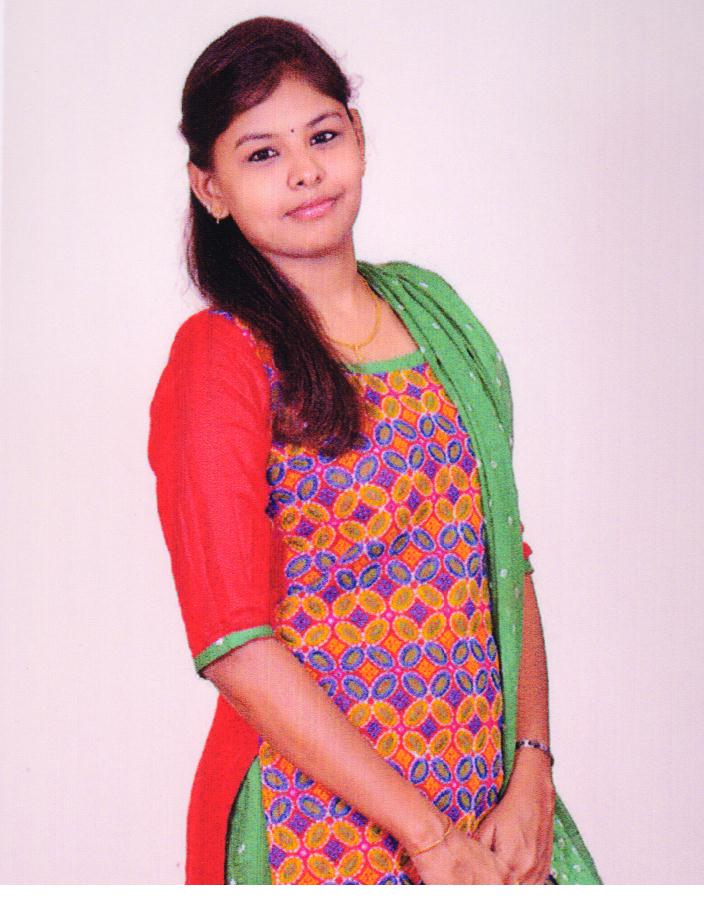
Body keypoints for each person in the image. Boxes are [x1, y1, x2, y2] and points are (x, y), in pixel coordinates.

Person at [148, 16, 601, 885]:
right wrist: (425, 836)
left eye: (322, 135)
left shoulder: (434, 314)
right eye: (261, 153)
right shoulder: (221, 360)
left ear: (357, 136)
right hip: (318, 822)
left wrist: (533, 768)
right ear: (211, 188)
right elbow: (234, 643)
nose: (305, 171)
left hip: (488, 803)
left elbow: (503, 561)